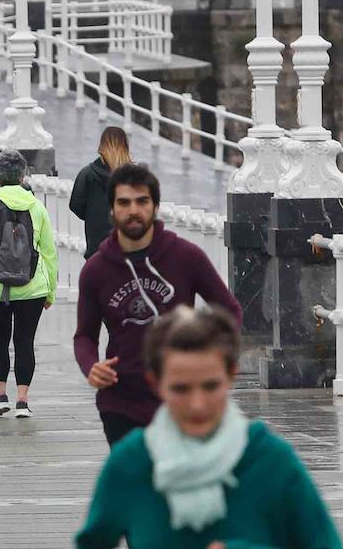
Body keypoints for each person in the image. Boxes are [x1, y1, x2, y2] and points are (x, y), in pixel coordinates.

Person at [68, 306, 343, 549]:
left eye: (210, 386)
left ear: (231, 376)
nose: (198, 404)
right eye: (180, 389)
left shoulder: (270, 463)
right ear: (156, 383)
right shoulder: (133, 464)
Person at [74, 163, 242, 446]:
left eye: (142, 201)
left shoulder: (185, 256)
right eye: (124, 202)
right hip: (121, 401)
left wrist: (216, 358)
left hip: (182, 396)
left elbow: (229, 309)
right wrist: (91, 366)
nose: (133, 210)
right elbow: (84, 336)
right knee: (135, 486)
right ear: (112, 209)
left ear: (154, 206)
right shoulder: (96, 270)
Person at [0, 149, 58, 418]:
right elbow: (49, 253)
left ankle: (0, 396)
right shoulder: (36, 206)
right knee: (25, 341)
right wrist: (50, 289)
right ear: (22, 175)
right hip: (33, 288)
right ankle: (23, 400)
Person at [69, 126, 131, 259]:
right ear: (125, 146)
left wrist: (94, 215)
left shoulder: (88, 173)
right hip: (127, 248)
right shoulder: (134, 176)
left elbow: (75, 205)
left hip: (96, 248)